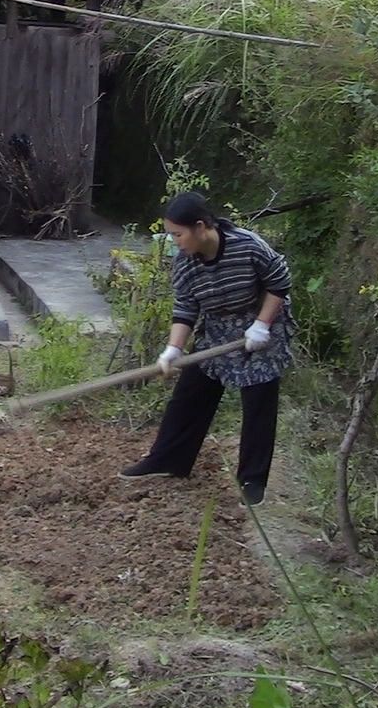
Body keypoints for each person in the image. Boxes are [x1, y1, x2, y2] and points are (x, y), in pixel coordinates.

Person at [119, 191, 295, 504]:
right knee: (193, 389)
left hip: (262, 319)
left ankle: (252, 481)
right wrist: (173, 350)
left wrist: (262, 325)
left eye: (178, 234)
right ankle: (168, 460)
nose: (174, 242)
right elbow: (186, 307)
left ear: (200, 227)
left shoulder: (247, 245)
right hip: (219, 326)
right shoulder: (185, 264)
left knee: (258, 398)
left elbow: (279, 282)